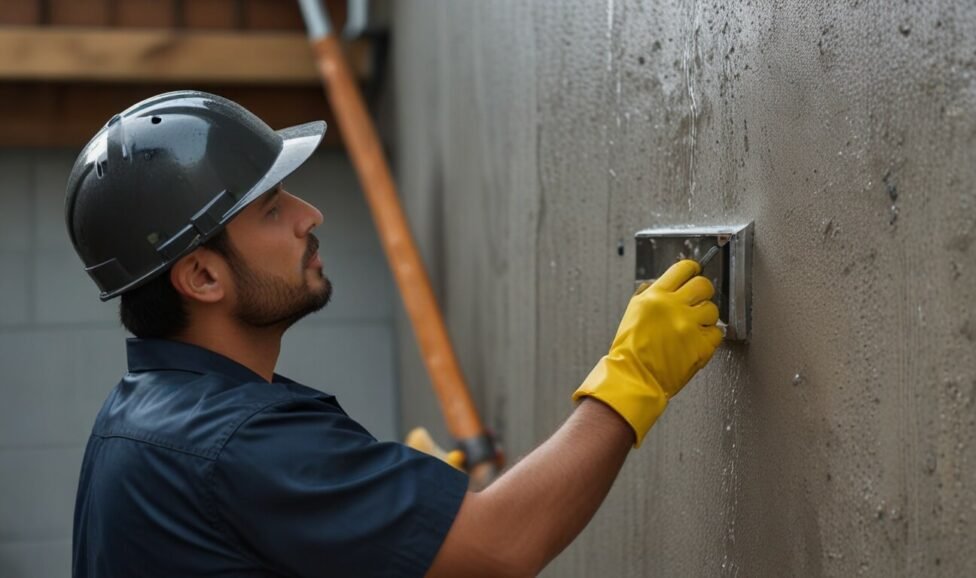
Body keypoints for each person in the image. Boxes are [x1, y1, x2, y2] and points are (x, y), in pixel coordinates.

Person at [67, 91, 723, 578]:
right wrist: (633, 377)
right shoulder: (233, 444)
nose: (309, 216)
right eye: (271, 211)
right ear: (203, 276)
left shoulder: (138, 415)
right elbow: (501, 545)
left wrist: (388, 526)